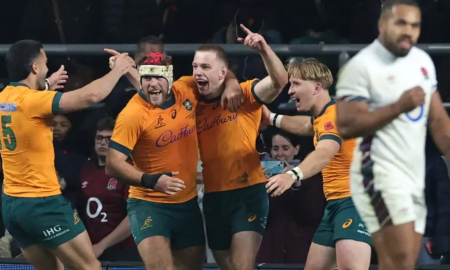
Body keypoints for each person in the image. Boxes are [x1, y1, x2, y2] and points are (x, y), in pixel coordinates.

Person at [335, 0, 450, 269]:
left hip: (413, 172)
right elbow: (347, 124)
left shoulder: (422, 62)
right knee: (398, 258)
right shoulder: (361, 67)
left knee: (404, 260)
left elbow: (438, 121)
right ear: (382, 25)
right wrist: (398, 107)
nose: (408, 31)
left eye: (414, 25)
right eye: (401, 23)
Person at [1, 39, 132, 270]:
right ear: (34, 67)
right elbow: (91, 96)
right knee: (90, 267)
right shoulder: (35, 101)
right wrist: (119, 69)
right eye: (45, 63)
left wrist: (46, 86)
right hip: (42, 203)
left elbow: (25, 105)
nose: (47, 68)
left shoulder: (4, 98)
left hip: (12, 205)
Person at [105, 51, 243, 270]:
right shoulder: (132, 115)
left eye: (158, 77)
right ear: (139, 80)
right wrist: (152, 181)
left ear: (169, 78)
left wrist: (233, 83)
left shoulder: (186, 88)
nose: (152, 84)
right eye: (147, 79)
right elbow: (112, 164)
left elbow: (220, 73)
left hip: (186, 204)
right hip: (149, 204)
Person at [193, 24, 288, 270]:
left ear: (223, 71)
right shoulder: (191, 102)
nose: (197, 72)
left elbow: (280, 81)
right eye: (195, 66)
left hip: (248, 193)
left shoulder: (245, 95)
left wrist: (264, 49)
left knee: (242, 266)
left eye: (205, 67)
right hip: (213, 196)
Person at [263, 59, 372, 270]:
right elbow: (306, 126)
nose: (290, 91)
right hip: (335, 204)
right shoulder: (324, 116)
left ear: (316, 87)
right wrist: (272, 118)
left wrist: (292, 175)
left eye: (295, 84)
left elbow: (324, 152)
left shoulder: (335, 116)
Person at [78, 117, 138, 261]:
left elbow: (135, 217)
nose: (103, 143)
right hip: (92, 248)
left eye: (108, 139)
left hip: (125, 250)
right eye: (99, 138)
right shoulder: (86, 170)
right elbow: (80, 212)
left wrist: (102, 245)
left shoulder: (129, 170)